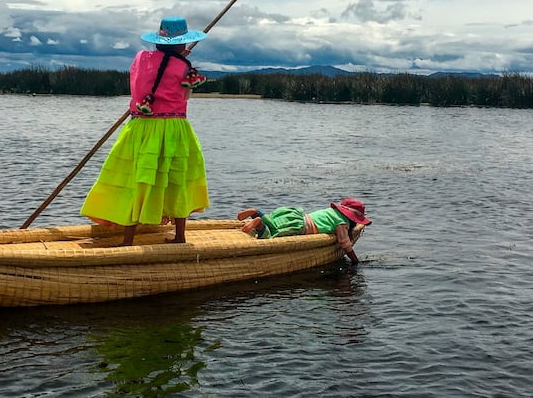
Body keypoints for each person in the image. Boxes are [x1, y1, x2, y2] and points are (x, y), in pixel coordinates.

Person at [80, 17, 210, 245]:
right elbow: (183, 96)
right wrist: (181, 63)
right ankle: (179, 236)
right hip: (173, 127)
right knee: (177, 179)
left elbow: (145, 77)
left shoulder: (140, 58)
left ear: (159, 40)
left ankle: (128, 240)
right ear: (182, 44)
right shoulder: (185, 68)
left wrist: (175, 60)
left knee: (135, 179)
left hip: (141, 125)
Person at [237, 198, 371, 265]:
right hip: (301, 227)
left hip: (295, 217)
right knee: (271, 235)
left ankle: (257, 213)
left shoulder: (331, 212)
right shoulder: (342, 223)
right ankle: (259, 224)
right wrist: (355, 261)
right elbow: (344, 243)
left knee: (274, 223)